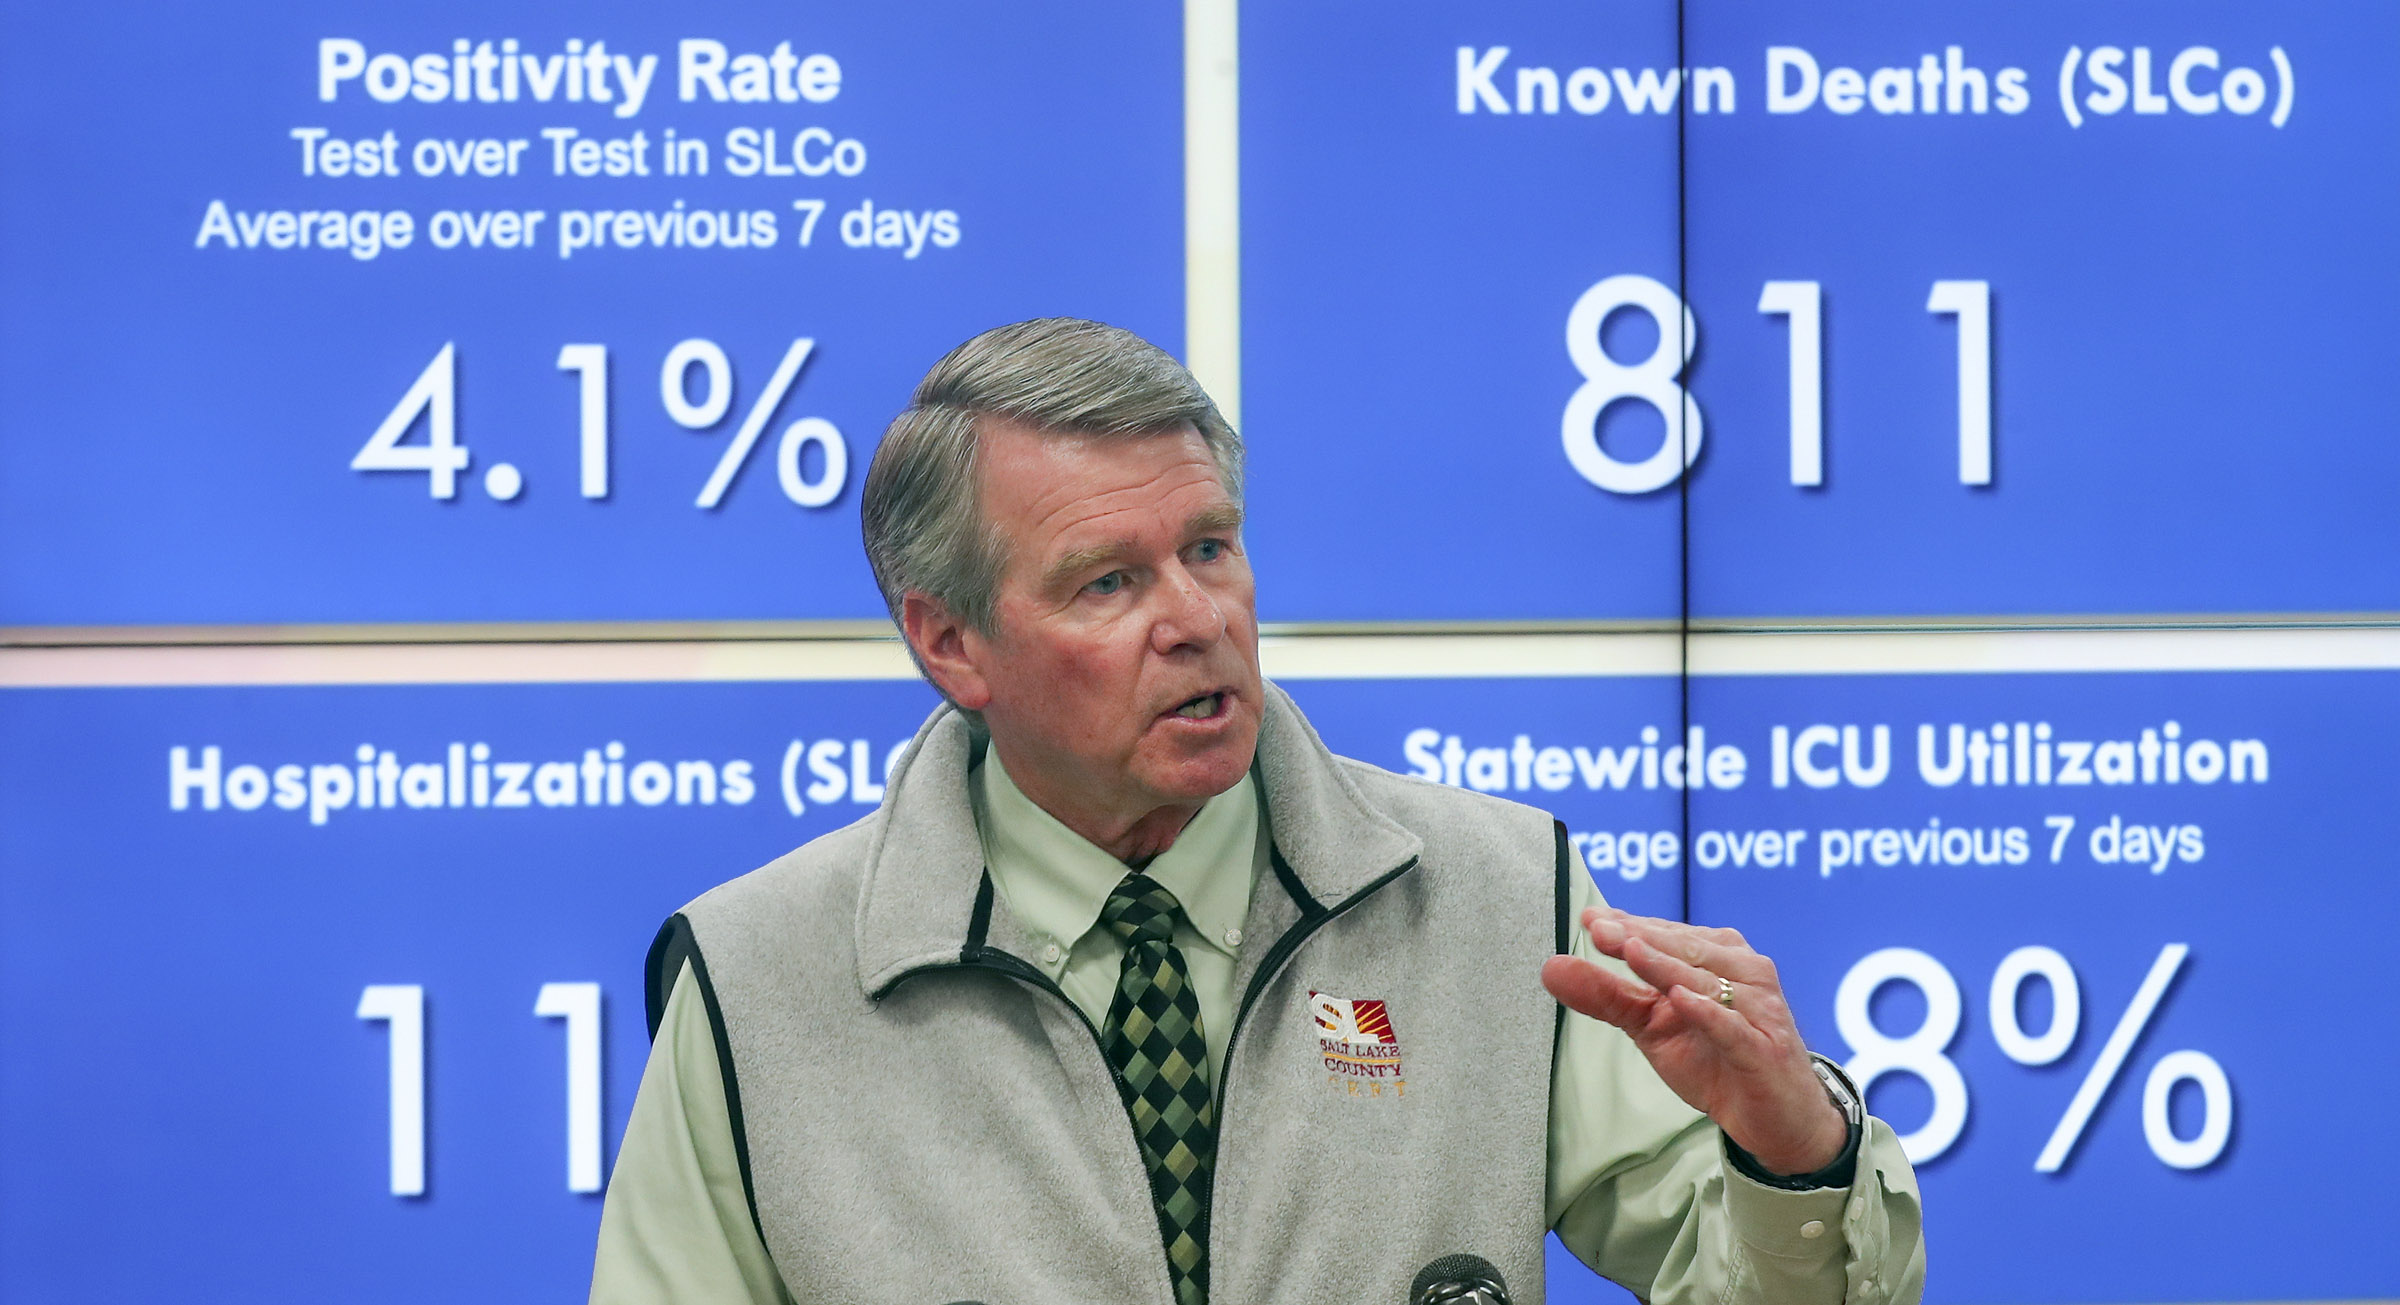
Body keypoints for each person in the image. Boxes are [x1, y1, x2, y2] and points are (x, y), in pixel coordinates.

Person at [588, 318, 1924, 1305]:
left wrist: (1795, 1152)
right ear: (951, 642)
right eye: (1108, 582)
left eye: (1210, 547)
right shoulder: (761, 983)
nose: (1197, 618)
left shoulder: (1499, 895)